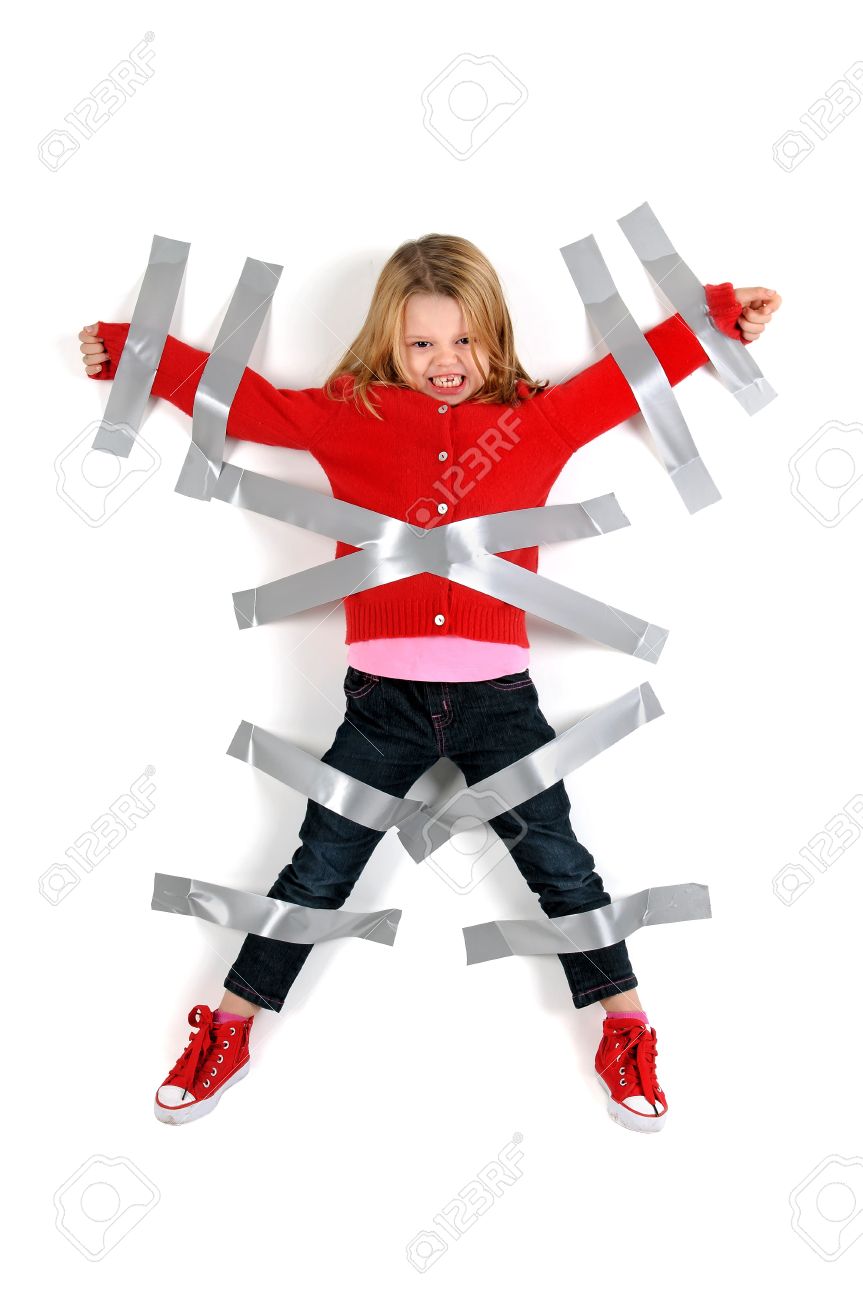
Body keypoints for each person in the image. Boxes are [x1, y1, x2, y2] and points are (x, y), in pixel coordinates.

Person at [80, 233, 780, 1132]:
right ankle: (228, 1027)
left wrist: (716, 319)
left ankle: (626, 1029)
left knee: (561, 868)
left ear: (494, 335)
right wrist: (134, 350)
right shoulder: (351, 415)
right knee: (317, 869)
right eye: (420, 343)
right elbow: (246, 404)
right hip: (382, 708)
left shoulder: (537, 420)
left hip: (501, 708)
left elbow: (625, 377)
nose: (444, 361)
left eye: (463, 340)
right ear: (388, 340)